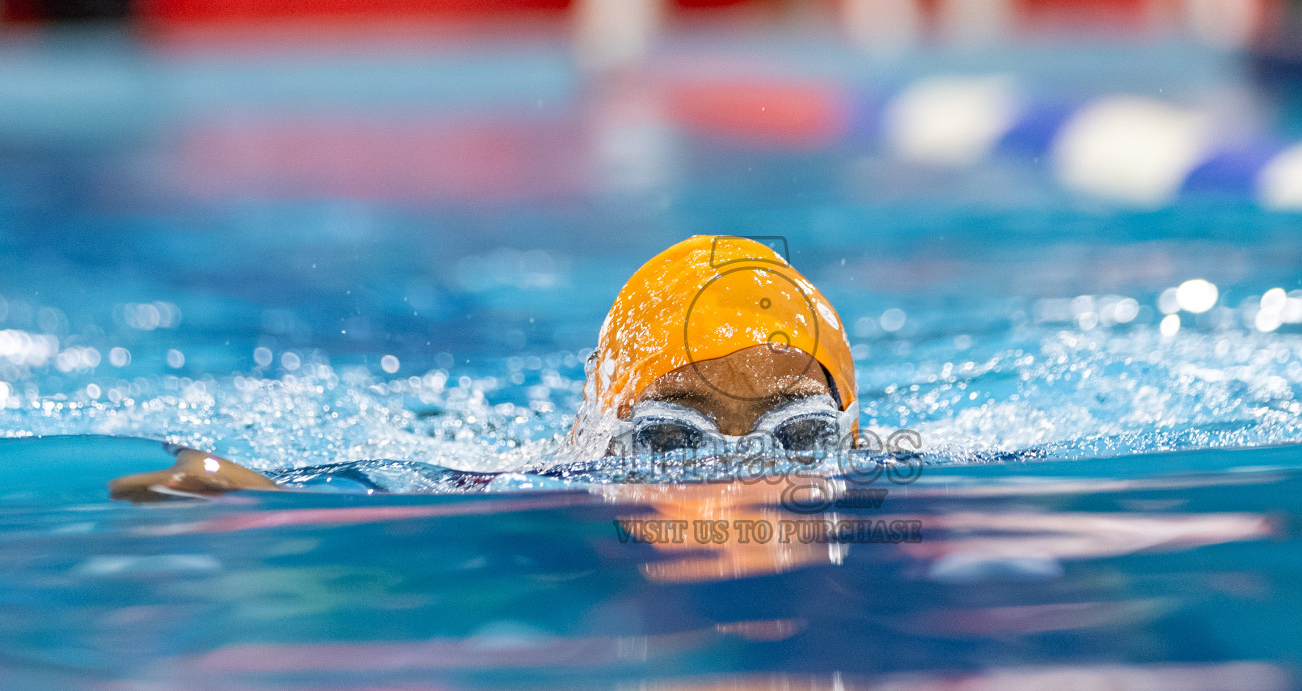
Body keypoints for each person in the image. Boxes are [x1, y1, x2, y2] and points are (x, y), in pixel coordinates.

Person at [110, 235, 860, 501]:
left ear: (854, 441)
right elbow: (376, 495)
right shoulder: (547, 481)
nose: (736, 477)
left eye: (797, 437)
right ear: (600, 437)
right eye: (673, 439)